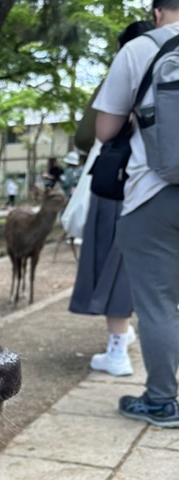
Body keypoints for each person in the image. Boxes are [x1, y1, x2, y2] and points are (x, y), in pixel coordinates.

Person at [93, 0, 179, 427]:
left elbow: (104, 131)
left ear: (158, 11)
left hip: (153, 195)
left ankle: (163, 400)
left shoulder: (140, 49)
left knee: (159, 303)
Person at [69, 21, 153, 377]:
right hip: (167, 187)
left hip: (123, 183)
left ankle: (117, 347)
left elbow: (89, 134)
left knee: (112, 262)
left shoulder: (127, 68)